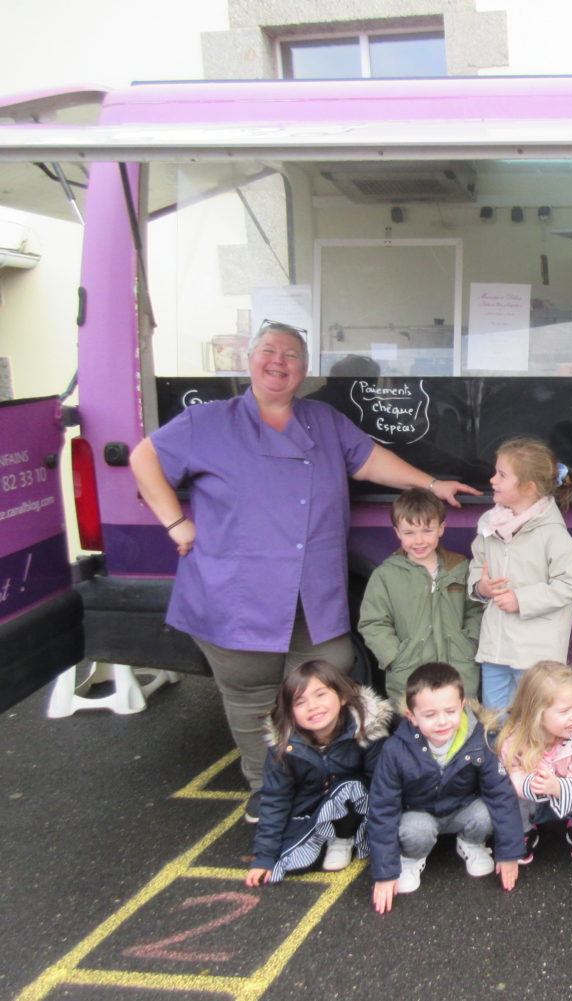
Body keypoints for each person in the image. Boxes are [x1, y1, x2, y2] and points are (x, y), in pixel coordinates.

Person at [128, 320, 478, 820]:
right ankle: (264, 790)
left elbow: (371, 460)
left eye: (291, 354)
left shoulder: (323, 420)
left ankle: (323, 786)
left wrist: (431, 482)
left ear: (305, 368)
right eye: (268, 351)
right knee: (250, 693)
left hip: (312, 593)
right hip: (236, 592)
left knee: (327, 681)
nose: (279, 361)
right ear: (249, 360)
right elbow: (144, 457)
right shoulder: (208, 421)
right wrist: (176, 522)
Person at [367, 662, 524, 913]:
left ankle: (470, 843)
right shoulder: (395, 750)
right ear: (412, 717)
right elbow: (383, 808)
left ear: (462, 707)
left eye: (450, 711)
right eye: (429, 715)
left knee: (488, 812)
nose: (442, 721)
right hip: (419, 814)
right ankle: (411, 858)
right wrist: (385, 873)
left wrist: (509, 853)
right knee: (415, 830)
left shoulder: (480, 740)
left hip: (461, 810)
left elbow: (501, 795)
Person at [244, 660, 392, 886]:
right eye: (300, 702)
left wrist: (386, 855)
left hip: (356, 808)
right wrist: (265, 856)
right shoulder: (285, 746)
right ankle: (320, 835)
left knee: (350, 787)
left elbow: (382, 787)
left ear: (342, 697)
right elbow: (276, 798)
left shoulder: (366, 731)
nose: (312, 706)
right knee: (293, 863)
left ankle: (343, 837)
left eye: (321, 695)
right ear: (290, 712)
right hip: (312, 808)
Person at [468, 437, 572, 711]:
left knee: (534, 718)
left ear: (529, 487)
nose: (492, 480)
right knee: (494, 718)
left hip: (535, 654)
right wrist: (479, 587)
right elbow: (478, 563)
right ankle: (499, 755)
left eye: (502, 475)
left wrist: (521, 599)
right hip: (495, 647)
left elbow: (570, 584)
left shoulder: (553, 534)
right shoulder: (490, 525)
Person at [358, 487, 482, 705]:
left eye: (427, 531)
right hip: (409, 673)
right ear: (397, 532)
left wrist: (468, 643)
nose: (419, 541)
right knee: (415, 728)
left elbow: (476, 609)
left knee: (463, 726)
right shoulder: (386, 575)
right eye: (409, 533)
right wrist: (395, 656)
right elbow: (373, 622)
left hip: (459, 670)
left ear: (441, 528)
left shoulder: (460, 568)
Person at [497, 661, 572, 863]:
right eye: (564, 711)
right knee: (506, 789)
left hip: (571, 800)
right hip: (532, 801)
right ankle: (524, 829)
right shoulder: (515, 738)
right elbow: (510, 774)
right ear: (536, 713)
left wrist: (558, 787)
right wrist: (530, 785)